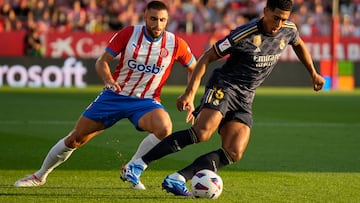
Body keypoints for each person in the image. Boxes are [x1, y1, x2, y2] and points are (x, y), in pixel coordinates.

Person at [123, 0, 325, 196]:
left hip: (246, 96)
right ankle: (137, 165)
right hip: (225, 86)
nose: (278, 24)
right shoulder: (244, 34)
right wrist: (190, 92)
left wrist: (313, 73)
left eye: (283, 19)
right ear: (265, 11)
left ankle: (177, 178)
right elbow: (206, 57)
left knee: (234, 152)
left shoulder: (288, 29)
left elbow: (297, 43)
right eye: (275, 18)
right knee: (202, 133)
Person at [14, 1, 196, 190]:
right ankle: (39, 175)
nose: (157, 25)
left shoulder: (175, 44)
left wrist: (189, 94)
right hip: (114, 96)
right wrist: (108, 80)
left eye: (162, 20)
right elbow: (102, 62)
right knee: (75, 139)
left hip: (146, 101)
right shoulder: (129, 34)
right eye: (153, 19)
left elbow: (195, 67)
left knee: (164, 127)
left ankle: (132, 167)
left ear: (167, 20)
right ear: (144, 17)